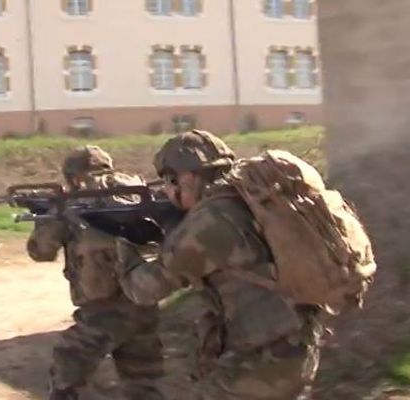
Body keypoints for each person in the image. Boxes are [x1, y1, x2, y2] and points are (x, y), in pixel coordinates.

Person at [114, 130, 324, 400]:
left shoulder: (209, 222)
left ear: (188, 177)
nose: (165, 191)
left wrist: (123, 243)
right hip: (295, 348)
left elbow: (144, 290)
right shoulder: (247, 201)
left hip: (261, 361)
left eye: (168, 181)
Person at [27, 145, 166, 400]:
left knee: (68, 368)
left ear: (73, 175)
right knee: (143, 383)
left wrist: (47, 217)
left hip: (103, 309)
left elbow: (41, 251)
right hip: (144, 303)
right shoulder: (132, 192)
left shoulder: (74, 201)